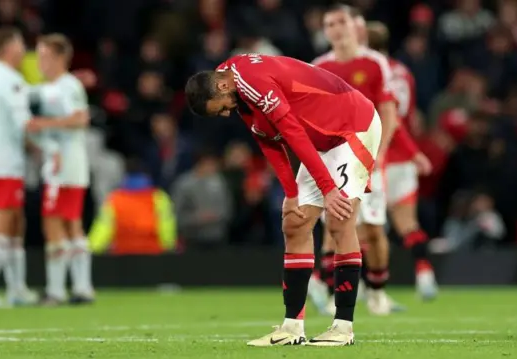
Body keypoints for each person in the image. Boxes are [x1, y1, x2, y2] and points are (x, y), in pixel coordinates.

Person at [185, 51, 384, 345]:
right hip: (322, 139)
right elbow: (267, 139)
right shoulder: (231, 82)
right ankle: (292, 328)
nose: (227, 113)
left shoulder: (249, 81)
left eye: (222, 108)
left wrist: (328, 188)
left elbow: (290, 131)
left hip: (351, 126)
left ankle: (343, 327)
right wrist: (291, 193)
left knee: (340, 220)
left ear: (223, 88)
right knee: (294, 223)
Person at [0, 27, 87, 308]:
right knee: (3, 223)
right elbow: (27, 124)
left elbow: (34, 98)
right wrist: (50, 148)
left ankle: (16, 288)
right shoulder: (10, 80)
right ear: (9, 47)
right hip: (3, 163)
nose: (26, 51)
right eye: (21, 44)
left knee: (16, 223)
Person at [311, 5, 398, 316]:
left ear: (354, 26)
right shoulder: (319, 67)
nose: (336, 28)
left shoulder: (375, 64)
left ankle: (378, 293)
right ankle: (335, 290)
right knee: (336, 226)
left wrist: (381, 152)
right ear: (325, 31)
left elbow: (388, 111)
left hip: (369, 155)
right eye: (329, 23)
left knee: (373, 229)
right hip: (335, 157)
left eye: (341, 21)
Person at [366, 22, 439, 300]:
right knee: (407, 224)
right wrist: (414, 153)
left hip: (377, 157)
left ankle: (366, 288)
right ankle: (424, 273)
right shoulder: (404, 71)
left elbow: (390, 119)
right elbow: (408, 116)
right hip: (404, 161)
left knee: (365, 228)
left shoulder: (371, 71)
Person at [33, 33, 94, 305]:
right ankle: (82, 288)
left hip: (66, 162)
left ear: (60, 58)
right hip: (64, 162)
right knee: (71, 223)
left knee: (55, 222)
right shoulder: (45, 88)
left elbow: (81, 118)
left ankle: (57, 291)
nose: (40, 61)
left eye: (44, 56)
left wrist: (44, 124)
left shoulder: (68, 86)